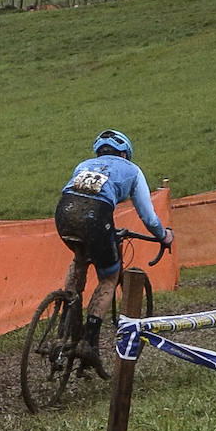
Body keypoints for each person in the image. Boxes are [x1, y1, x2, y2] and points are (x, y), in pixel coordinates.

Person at [55, 129, 173, 367]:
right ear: (124, 153)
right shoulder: (132, 170)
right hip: (96, 218)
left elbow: (81, 196)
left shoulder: (84, 164)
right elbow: (149, 218)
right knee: (109, 276)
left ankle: (66, 319)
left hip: (64, 212)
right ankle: (89, 341)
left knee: (80, 258)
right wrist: (164, 236)